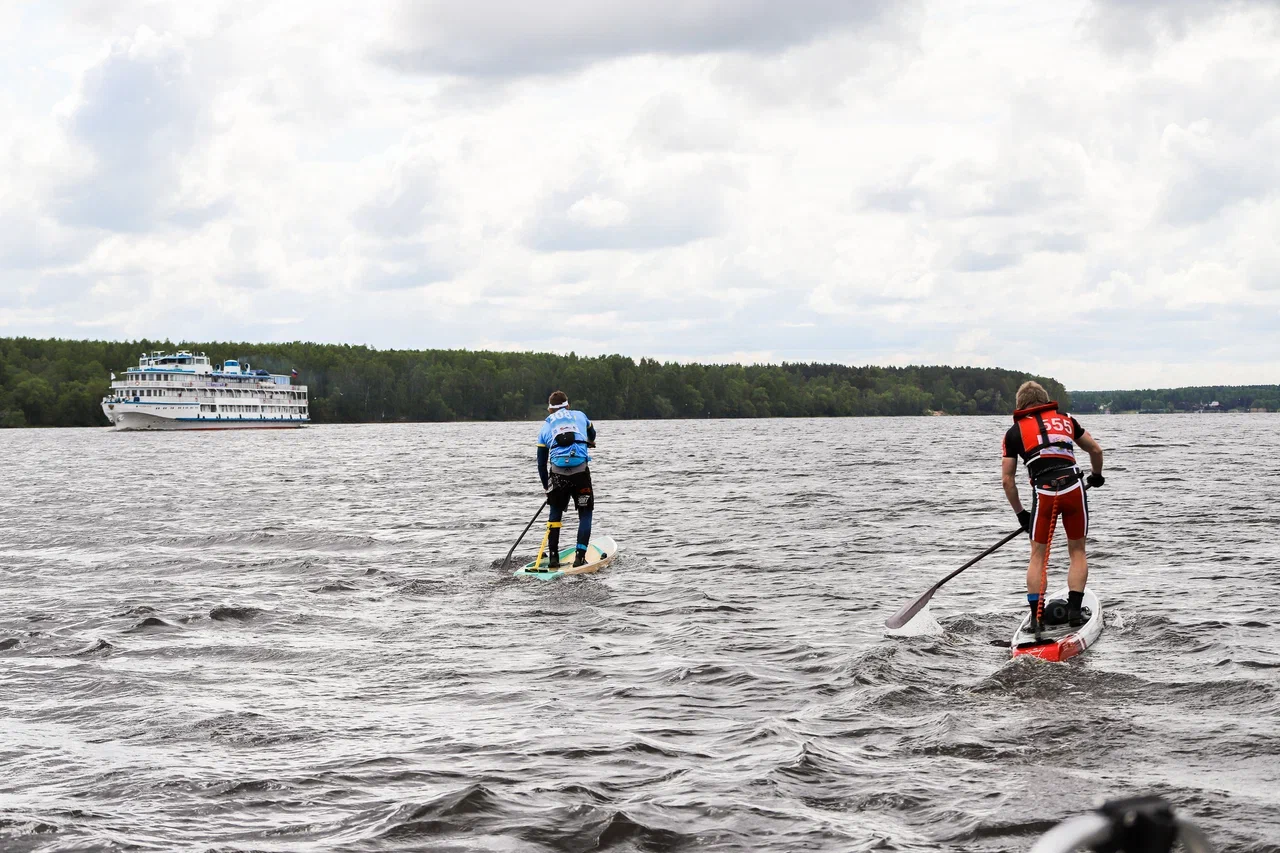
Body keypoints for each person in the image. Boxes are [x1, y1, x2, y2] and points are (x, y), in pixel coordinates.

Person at [1001, 381, 1104, 634]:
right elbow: (1095, 449)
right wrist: (1096, 476)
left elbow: (1007, 480)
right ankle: (1075, 613)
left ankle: (1036, 619)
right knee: (1077, 551)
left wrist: (1021, 515)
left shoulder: (1014, 433)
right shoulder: (1066, 419)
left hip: (1044, 492)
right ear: (1045, 400)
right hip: (1073, 488)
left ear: (1021, 405)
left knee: (1037, 555)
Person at [536, 390, 596, 569]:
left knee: (555, 513)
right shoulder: (580, 415)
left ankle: (553, 558)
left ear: (549, 410)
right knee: (585, 514)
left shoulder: (545, 427)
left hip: (558, 476)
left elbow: (541, 463)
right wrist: (590, 441)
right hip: (580, 475)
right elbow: (592, 434)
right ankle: (580, 556)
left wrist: (547, 488)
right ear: (568, 406)